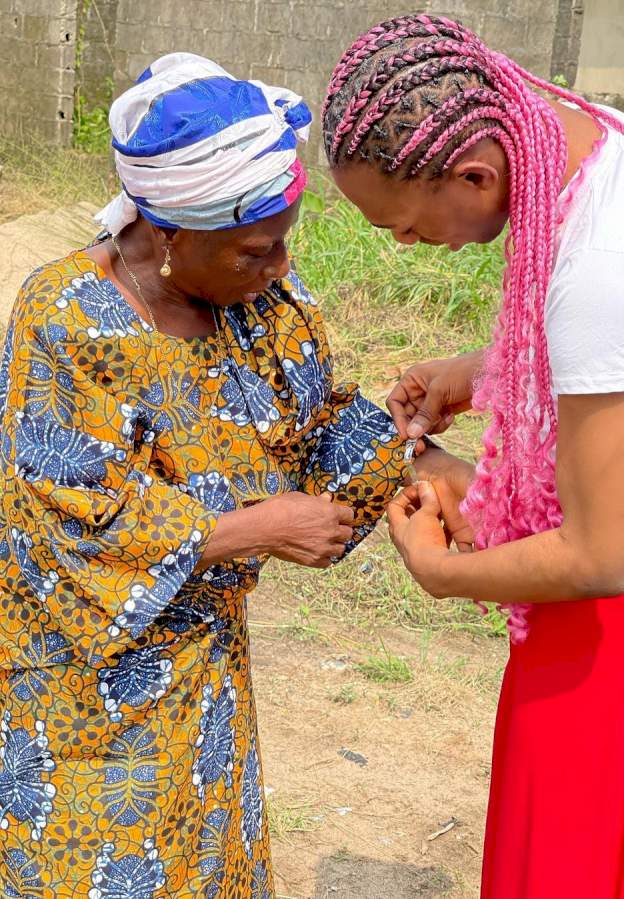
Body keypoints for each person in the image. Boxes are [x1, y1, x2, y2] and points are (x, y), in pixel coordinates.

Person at [0, 52, 463, 897]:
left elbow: (323, 434)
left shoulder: (264, 310)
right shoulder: (67, 320)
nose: (280, 267)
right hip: (84, 704)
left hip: (205, 691)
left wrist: (410, 440)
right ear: (169, 234)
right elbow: (62, 524)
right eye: (256, 250)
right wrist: (250, 529)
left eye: (285, 243)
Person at [322, 14, 624, 899]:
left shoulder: (602, 271)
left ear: (475, 174)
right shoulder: (595, 142)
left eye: (407, 227)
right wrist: (480, 372)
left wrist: (438, 570)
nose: (403, 246)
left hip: (613, 644)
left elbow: (597, 556)